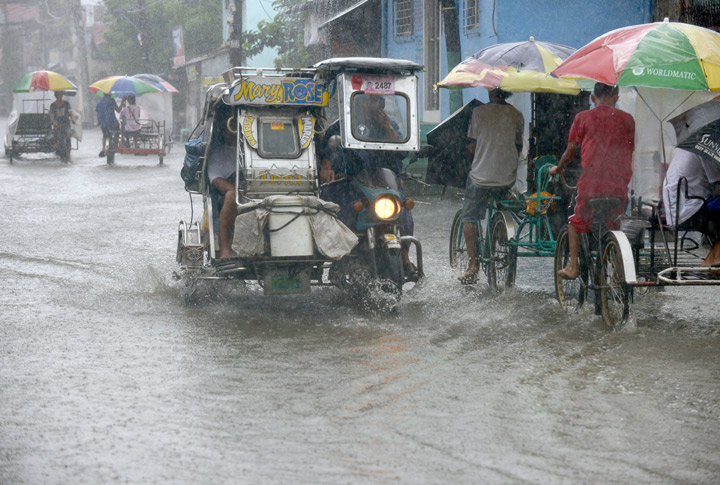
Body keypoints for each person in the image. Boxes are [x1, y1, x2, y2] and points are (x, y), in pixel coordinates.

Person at [549, 83, 635, 279]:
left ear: (593, 97)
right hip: (618, 185)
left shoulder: (582, 118)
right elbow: (629, 153)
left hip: (592, 185)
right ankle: (617, 265)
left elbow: (570, 152)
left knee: (575, 221)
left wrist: (559, 168)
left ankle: (573, 267)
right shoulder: (628, 119)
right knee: (613, 221)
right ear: (616, 96)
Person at [459, 88, 524, 284]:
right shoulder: (517, 115)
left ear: (489, 91)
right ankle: (501, 231)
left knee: (469, 217)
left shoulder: (478, 112)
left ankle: (472, 265)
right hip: (506, 178)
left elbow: (473, 146)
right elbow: (518, 146)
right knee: (503, 195)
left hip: (481, 179)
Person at [663, 148, 720, 267]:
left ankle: (711, 259)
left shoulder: (700, 145)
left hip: (681, 206)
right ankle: (715, 259)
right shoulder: (708, 149)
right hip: (689, 209)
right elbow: (718, 181)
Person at [207, 105, 240, 260]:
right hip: (228, 194)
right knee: (232, 195)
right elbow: (215, 179)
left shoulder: (248, 148)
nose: (231, 131)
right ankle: (225, 250)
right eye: (229, 126)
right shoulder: (217, 152)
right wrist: (233, 190)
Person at [49, 91, 74, 160]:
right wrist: (53, 121)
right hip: (57, 123)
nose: (60, 96)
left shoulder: (66, 104)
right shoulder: (53, 105)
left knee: (68, 135)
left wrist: (72, 119)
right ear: (56, 96)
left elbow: (70, 112)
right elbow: (51, 115)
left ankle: (68, 155)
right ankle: (56, 143)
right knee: (56, 133)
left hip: (66, 123)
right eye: (59, 95)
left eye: (61, 95)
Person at [96, 91, 120, 157]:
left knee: (106, 135)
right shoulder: (111, 101)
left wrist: (98, 121)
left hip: (103, 123)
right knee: (118, 131)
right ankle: (115, 145)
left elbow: (98, 113)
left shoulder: (99, 102)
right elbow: (118, 110)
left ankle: (104, 148)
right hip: (112, 122)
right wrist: (123, 102)